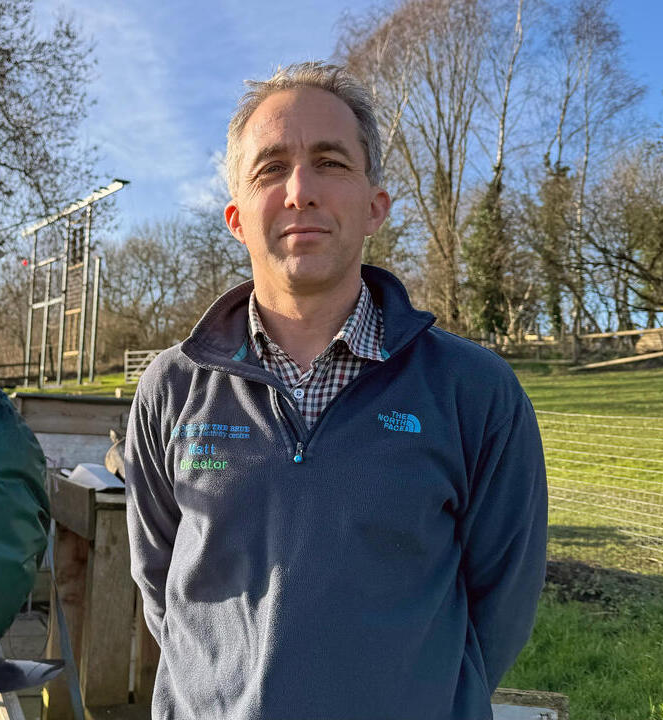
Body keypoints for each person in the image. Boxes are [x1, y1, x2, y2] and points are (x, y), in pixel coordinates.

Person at [124, 61, 547, 720]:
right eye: (270, 169)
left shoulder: (475, 392)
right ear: (236, 218)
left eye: (330, 162)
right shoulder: (170, 390)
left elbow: (504, 600)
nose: (300, 191)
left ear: (375, 205)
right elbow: (161, 588)